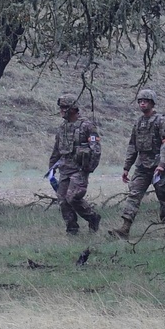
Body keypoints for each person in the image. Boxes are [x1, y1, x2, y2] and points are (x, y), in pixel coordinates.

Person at [109, 88, 165, 239]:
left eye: (145, 101)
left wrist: (162, 165)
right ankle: (124, 229)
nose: (142, 104)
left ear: (152, 103)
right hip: (142, 167)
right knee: (133, 195)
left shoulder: (161, 121)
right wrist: (126, 167)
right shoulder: (138, 123)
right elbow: (132, 146)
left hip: (159, 168)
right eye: (140, 101)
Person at [47, 93, 102, 235]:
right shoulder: (62, 128)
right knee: (62, 200)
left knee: (73, 197)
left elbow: (96, 149)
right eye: (60, 107)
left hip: (80, 169)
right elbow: (57, 150)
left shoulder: (87, 126)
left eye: (64, 107)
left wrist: (89, 168)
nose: (61, 110)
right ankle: (72, 229)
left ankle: (92, 217)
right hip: (65, 169)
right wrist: (51, 168)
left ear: (72, 108)